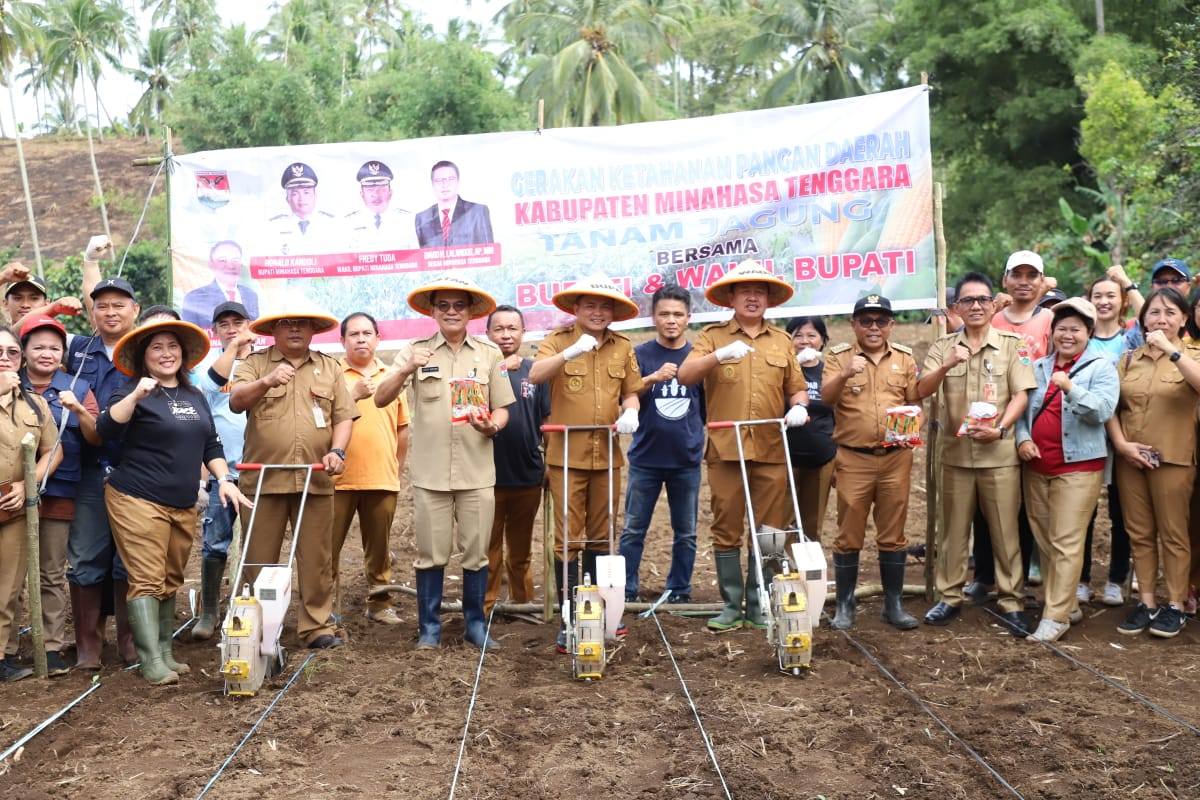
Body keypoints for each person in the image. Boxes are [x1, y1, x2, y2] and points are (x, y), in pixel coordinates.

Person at [98, 320, 251, 685]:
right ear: (143, 357)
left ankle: (166, 653)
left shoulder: (194, 394)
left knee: (170, 578)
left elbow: (211, 443)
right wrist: (136, 396)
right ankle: (150, 660)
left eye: (172, 347)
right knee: (147, 579)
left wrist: (223, 479)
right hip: (136, 496)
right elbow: (106, 428)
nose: (166, 353)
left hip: (182, 501)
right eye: (156, 348)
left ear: (182, 354)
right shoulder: (132, 390)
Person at [374, 275, 514, 650]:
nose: (451, 312)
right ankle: (430, 628)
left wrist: (491, 426)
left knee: (476, 551)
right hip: (431, 475)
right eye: (444, 306)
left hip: (477, 472)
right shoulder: (415, 350)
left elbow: (502, 409)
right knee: (429, 554)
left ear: (470, 312)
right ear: (433, 311)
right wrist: (405, 369)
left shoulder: (489, 354)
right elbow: (380, 398)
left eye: (459, 306)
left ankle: (475, 625)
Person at [677, 259, 809, 632]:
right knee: (727, 526)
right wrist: (718, 356)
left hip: (770, 447)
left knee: (770, 530)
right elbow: (686, 375)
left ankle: (760, 602)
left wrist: (799, 406)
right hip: (726, 448)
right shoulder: (712, 336)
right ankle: (731, 604)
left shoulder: (783, 341)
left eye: (760, 291)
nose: (753, 297)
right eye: (745, 291)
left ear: (768, 298)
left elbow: (796, 387)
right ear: (731, 297)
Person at [230, 312, 357, 649]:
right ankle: (257, 626)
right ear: (274, 330)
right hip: (263, 480)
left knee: (317, 559)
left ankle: (316, 627)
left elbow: (344, 416)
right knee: (258, 558)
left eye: (303, 324)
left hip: (315, 480)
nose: (296, 329)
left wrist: (338, 452)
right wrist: (266, 381)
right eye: (287, 324)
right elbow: (235, 400)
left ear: (314, 330)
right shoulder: (256, 364)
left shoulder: (330, 367)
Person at [529, 274, 643, 651]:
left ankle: (597, 611)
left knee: (601, 534)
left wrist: (631, 413)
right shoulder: (559, 341)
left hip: (606, 453)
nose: (598, 312)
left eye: (605, 306)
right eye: (590, 305)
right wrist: (570, 353)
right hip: (566, 455)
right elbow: (535, 374)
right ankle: (569, 615)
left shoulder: (623, 346)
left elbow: (631, 394)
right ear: (575, 309)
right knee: (567, 537)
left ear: (613, 312)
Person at [920, 271, 1035, 637]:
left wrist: (1001, 429)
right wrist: (946, 364)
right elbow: (922, 389)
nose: (975, 306)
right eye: (967, 301)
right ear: (956, 307)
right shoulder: (942, 347)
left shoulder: (1013, 345)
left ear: (993, 303)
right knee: (953, 532)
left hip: (998, 455)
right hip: (954, 456)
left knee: (1005, 532)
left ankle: (1012, 600)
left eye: (982, 300)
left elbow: (1022, 394)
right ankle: (949, 597)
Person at [1015, 299, 1119, 642]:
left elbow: (1102, 410)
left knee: (1066, 540)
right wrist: (1023, 439)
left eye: (1076, 329)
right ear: (1052, 332)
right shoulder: (1039, 366)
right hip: (1037, 464)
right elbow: (1022, 411)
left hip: (1078, 466)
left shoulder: (1101, 367)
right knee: (1044, 538)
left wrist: (1072, 388)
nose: (1068, 335)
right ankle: (1069, 601)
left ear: (1089, 333)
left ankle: (1055, 615)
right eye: (1062, 328)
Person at [822, 294, 921, 630]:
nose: (874, 327)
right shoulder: (838, 358)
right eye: (866, 321)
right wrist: (846, 373)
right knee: (849, 534)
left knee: (893, 533)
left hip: (896, 458)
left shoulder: (905, 359)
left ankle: (892, 604)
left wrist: (910, 427)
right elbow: (825, 398)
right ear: (854, 325)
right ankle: (846, 605)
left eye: (881, 321)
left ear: (891, 325)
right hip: (853, 457)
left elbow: (914, 401)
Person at [1106, 288, 1200, 638]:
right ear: (1142, 319)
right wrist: (1121, 444)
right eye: (1154, 313)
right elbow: (1111, 407)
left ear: (1184, 319)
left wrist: (1173, 351)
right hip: (1130, 458)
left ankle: (1174, 605)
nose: (1161, 319)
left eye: (1170, 313)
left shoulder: (1193, 354)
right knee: (1140, 534)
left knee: (1174, 535)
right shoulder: (1129, 359)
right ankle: (1147, 602)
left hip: (1174, 459)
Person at [14, 315, 101, 676]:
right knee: (12, 574)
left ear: (63, 352)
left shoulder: (77, 387)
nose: (46, 353)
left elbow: (97, 435)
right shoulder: (9, 385)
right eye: (38, 347)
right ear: (23, 352)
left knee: (51, 571)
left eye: (54, 347)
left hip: (61, 488)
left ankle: (50, 646)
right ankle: (8, 646)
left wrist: (77, 410)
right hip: (11, 491)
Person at [67, 271, 140, 669]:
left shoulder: (143, 351)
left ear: (135, 310)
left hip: (136, 470)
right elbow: (24, 336)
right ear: (91, 311)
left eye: (118, 304)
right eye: (102, 305)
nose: (110, 312)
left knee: (128, 557)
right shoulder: (77, 349)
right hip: (89, 468)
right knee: (85, 556)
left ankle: (130, 640)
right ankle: (88, 646)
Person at [619, 285, 705, 604]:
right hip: (645, 458)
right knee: (633, 530)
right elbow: (627, 396)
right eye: (664, 314)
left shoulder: (697, 357)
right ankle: (627, 590)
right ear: (653, 317)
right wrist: (653, 378)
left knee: (687, 533)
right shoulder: (639, 355)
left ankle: (679, 590)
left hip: (687, 459)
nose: (671, 320)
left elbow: (704, 407)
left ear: (688, 318)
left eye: (678, 314)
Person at [331, 312, 411, 625]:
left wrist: (396, 469)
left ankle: (380, 603)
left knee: (379, 548)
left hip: (381, 477)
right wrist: (352, 395)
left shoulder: (392, 377)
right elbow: (322, 423)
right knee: (327, 548)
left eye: (367, 333)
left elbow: (402, 430)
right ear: (342, 341)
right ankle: (325, 607)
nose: (361, 339)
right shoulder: (332, 376)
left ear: (378, 338)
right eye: (354, 334)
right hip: (337, 479)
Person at [189, 301, 255, 641]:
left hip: (261, 471)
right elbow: (209, 392)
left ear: (252, 324)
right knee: (215, 543)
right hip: (223, 475)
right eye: (224, 324)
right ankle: (210, 612)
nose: (232, 329)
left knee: (261, 546)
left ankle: (256, 610)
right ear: (215, 332)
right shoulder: (209, 370)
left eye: (238, 322)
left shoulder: (265, 364)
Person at [0, 325, 62, 682]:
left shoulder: (36, 404)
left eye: (12, 352)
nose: (6, 359)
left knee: (8, 585)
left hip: (15, 505)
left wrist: (29, 482)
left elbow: (53, 450)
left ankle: (3, 656)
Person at [484, 305, 550, 614]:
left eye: (512, 328)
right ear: (487, 334)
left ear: (523, 332)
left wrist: (549, 465)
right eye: (499, 329)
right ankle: (486, 605)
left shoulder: (536, 372)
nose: (506, 334)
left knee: (521, 548)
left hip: (527, 474)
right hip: (486, 477)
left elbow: (546, 420)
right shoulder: (479, 369)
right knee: (488, 549)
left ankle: (522, 604)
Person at [1078, 274, 1134, 607]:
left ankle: (1116, 578)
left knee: (1121, 510)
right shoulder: (1081, 339)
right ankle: (1081, 579)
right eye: (1097, 295)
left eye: (1111, 295)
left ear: (1122, 300)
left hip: (1123, 433)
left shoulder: (1131, 339)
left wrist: (1128, 282)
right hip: (1086, 433)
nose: (1104, 301)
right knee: (1082, 510)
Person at [785, 316, 836, 543]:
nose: (805, 341)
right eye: (798, 335)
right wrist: (794, 363)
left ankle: (808, 572)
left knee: (811, 522)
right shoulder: (782, 370)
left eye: (811, 335)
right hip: (784, 457)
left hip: (822, 456)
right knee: (779, 519)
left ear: (823, 341)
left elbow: (841, 414)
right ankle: (778, 571)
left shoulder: (830, 373)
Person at [180, 241, 260, 327]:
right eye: (222, 260)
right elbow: (190, 335)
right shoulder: (195, 298)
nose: (230, 266)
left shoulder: (250, 295)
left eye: (235, 260)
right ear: (211, 264)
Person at [415, 160, 494, 248]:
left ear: (458, 181)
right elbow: (422, 257)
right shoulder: (422, 218)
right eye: (438, 180)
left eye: (451, 179)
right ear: (432, 184)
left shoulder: (477, 212)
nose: (445, 184)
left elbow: (489, 253)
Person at [344, 161, 419, 251]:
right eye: (370, 189)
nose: (376, 194)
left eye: (381, 189)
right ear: (362, 194)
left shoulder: (408, 220)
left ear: (390, 193)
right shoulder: (348, 223)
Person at [269, 162, 337, 255]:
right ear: (287, 199)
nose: (301, 198)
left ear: (315, 195)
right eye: (295, 194)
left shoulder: (332, 224)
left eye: (306, 192)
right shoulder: (273, 227)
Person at [1123, 258, 1191, 350]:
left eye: (1176, 280)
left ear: (1188, 286)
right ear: (1152, 287)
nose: (1169, 286)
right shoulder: (1133, 327)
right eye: (1161, 281)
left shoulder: (1196, 323)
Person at [3, 271, 82, 329]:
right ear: (5, 304)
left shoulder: (63, 341)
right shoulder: (3, 340)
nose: (25, 305)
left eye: (34, 298)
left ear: (47, 303)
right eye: (17, 298)